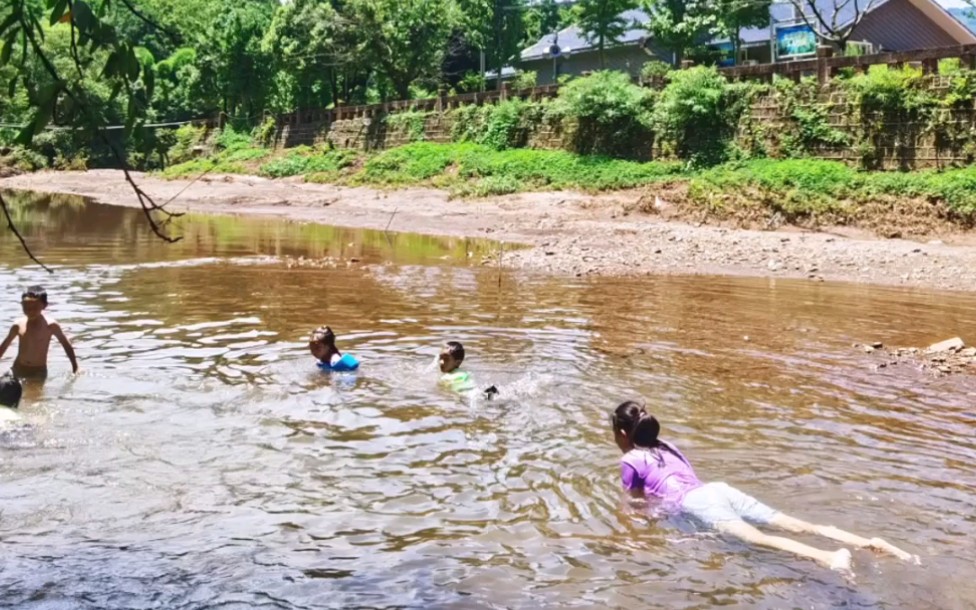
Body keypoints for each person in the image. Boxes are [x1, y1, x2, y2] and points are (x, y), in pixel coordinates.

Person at [610, 400, 916, 572]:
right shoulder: (667, 446)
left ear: (622, 434)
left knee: (760, 539)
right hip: (717, 489)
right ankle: (869, 542)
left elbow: (635, 503)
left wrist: (632, 535)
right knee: (797, 525)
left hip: (696, 502)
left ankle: (829, 558)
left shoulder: (631, 461)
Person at [0, 286, 78, 378]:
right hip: (18, 367)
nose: (30, 310)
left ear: (44, 305)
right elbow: (4, 346)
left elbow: (66, 345)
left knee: (34, 392)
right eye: (26, 306)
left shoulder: (51, 326)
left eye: (34, 306)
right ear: (21, 305)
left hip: (38, 371)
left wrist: (75, 366)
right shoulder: (18, 325)